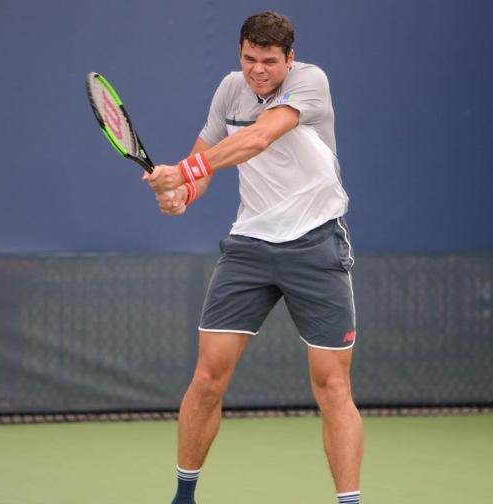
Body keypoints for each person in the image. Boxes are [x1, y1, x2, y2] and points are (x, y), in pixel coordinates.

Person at [144, 11, 363, 504]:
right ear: (239, 53)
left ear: (289, 58)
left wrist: (181, 171)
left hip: (315, 244)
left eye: (269, 61)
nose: (257, 70)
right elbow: (206, 160)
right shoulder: (229, 89)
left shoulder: (311, 82)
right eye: (249, 59)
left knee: (332, 385)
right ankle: (183, 497)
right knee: (206, 378)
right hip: (249, 247)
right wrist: (183, 194)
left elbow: (258, 137)